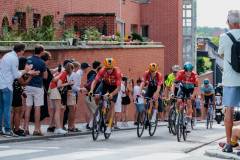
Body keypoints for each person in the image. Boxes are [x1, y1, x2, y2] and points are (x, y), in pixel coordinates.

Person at [218, 10, 240, 153]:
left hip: (230, 79)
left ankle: (228, 144)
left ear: (229, 23)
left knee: (229, 110)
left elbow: (220, 53)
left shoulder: (224, 37)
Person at [0, 43, 34, 137]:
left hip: (1, 84)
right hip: (7, 86)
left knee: (1, 109)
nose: (24, 52)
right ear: (21, 50)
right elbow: (16, 75)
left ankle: (1, 129)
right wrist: (26, 70)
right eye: (24, 50)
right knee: (7, 109)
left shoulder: (6, 55)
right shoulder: (14, 58)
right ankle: (7, 130)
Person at [89, 58, 122, 134]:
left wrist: (112, 94)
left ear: (113, 67)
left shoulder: (117, 72)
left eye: (110, 68)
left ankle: (109, 126)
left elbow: (118, 88)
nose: (109, 70)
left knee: (112, 105)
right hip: (105, 84)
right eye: (107, 68)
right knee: (96, 96)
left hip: (114, 87)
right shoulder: (102, 70)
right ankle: (99, 110)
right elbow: (95, 81)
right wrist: (91, 90)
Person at [24, 45, 47, 136]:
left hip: (28, 85)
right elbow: (45, 76)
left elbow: (26, 71)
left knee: (28, 107)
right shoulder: (42, 62)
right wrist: (38, 74)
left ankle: (25, 128)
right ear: (41, 51)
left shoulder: (28, 59)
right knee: (37, 108)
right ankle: (36, 129)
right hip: (37, 86)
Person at [48, 62, 74, 134]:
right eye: (73, 69)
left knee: (56, 109)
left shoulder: (62, 72)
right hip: (55, 89)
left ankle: (57, 127)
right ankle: (58, 128)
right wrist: (69, 83)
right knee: (58, 110)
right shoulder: (64, 73)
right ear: (70, 69)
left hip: (52, 89)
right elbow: (59, 85)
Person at [11, 57, 33, 136]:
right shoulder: (18, 72)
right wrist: (31, 77)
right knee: (17, 112)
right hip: (15, 94)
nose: (27, 65)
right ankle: (16, 129)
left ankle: (11, 129)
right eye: (26, 63)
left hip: (14, 92)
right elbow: (23, 83)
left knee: (13, 112)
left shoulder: (16, 70)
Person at [175, 62, 198, 132]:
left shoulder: (195, 76)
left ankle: (188, 123)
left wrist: (193, 96)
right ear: (184, 71)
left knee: (189, 102)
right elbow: (174, 83)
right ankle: (177, 114)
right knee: (178, 100)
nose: (188, 73)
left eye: (190, 71)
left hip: (191, 90)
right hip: (182, 88)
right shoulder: (180, 73)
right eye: (187, 72)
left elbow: (196, 88)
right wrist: (172, 93)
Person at [84, 61, 101, 130]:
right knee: (96, 111)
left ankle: (89, 124)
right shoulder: (94, 74)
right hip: (92, 94)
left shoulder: (90, 73)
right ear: (97, 67)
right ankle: (90, 125)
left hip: (90, 94)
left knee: (93, 111)